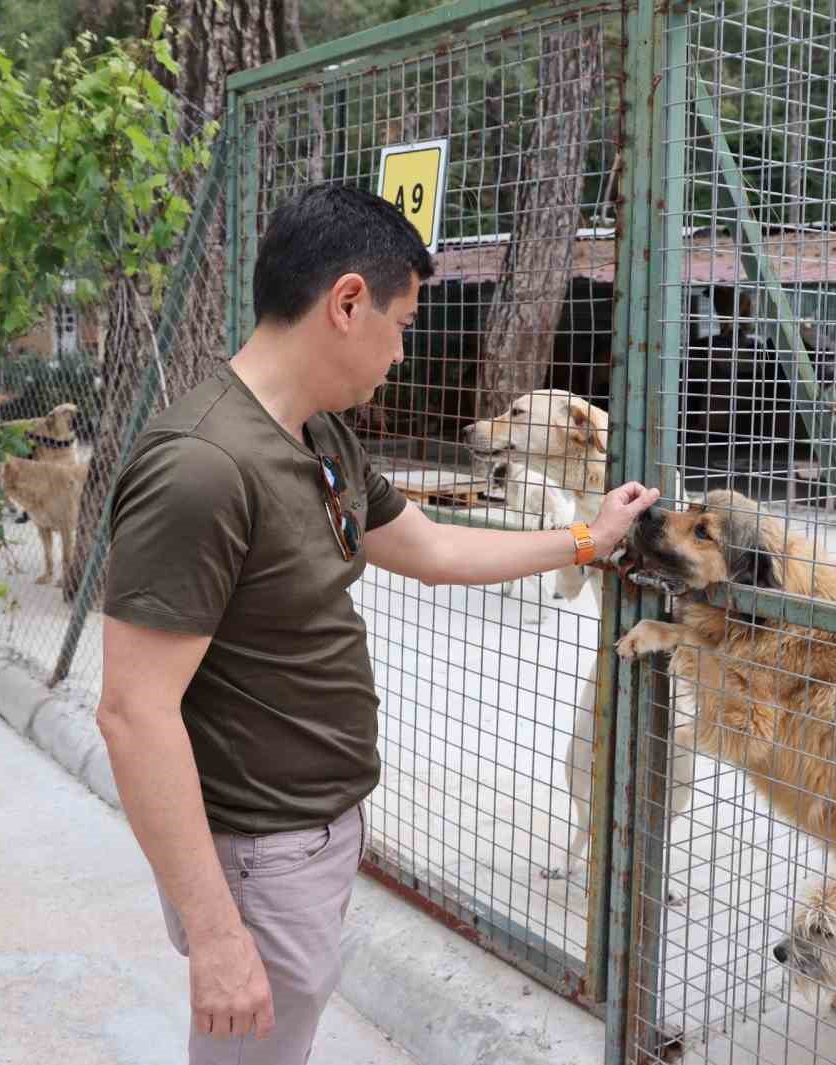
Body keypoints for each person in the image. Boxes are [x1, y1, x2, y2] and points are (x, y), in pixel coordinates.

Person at [95, 184, 658, 1064]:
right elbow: (133, 712)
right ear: (346, 303)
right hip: (259, 851)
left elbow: (430, 547)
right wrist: (215, 934)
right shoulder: (202, 468)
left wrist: (588, 538)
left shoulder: (319, 438)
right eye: (403, 324)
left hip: (309, 833)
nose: (404, 352)